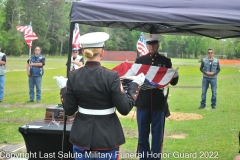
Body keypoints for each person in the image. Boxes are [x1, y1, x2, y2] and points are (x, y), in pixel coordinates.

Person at [63, 32, 145, 160]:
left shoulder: (74, 75)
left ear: (84, 52)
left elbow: (69, 109)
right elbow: (124, 108)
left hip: (82, 135)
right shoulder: (111, 76)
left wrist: (64, 89)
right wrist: (135, 85)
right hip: (106, 137)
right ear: (102, 53)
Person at [134, 34, 179, 160]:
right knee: (143, 134)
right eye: (149, 44)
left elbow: (173, 82)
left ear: (158, 45)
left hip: (159, 104)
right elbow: (134, 80)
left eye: (154, 44)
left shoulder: (165, 61)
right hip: (143, 103)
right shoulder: (140, 61)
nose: (151, 46)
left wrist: (175, 74)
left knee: (157, 135)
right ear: (146, 45)